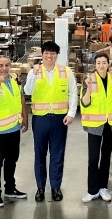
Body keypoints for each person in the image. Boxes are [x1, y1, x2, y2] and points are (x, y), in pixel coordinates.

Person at [24, 41, 78, 202]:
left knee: (57, 155)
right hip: (40, 119)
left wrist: (71, 113)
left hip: (59, 120)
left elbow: (73, 93)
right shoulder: (34, 71)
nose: (49, 56)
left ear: (56, 55)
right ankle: (40, 188)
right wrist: (32, 75)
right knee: (40, 155)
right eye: (46, 53)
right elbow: (27, 91)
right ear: (43, 55)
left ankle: (55, 187)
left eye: (52, 53)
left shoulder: (66, 71)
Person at [0, 56, 29, 207]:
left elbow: (20, 98)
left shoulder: (14, 79)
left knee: (12, 160)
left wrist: (25, 117)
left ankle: (10, 188)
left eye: (7, 65)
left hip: (14, 128)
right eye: (0, 66)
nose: (4, 68)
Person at [80, 52, 112, 203]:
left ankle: (103, 187)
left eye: (104, 62)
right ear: (95, 65)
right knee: (93, 158)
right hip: (94, 124)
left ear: (108, 64)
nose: (101, 65)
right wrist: (89, 89)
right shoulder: (88, 80)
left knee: (106, 157)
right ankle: (92, 190)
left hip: (111, 124)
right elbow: (84, 102)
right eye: (98, 63)